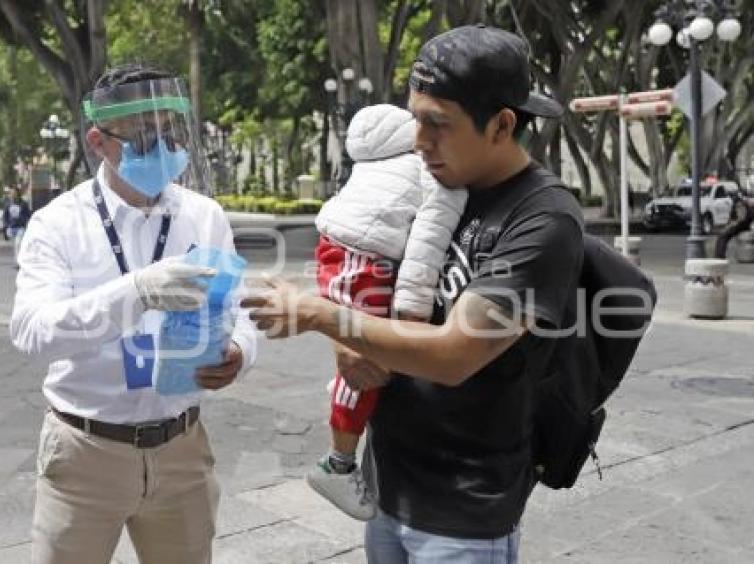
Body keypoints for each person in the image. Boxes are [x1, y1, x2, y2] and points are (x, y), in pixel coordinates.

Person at [245, 25, 583, 563]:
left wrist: (319, 315)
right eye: (415, 118)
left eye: (438, 124)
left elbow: (453, 355)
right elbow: (366, 288)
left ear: (501, 124)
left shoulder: (542, 218)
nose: (419, 140)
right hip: (389, 488)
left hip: (464, 511)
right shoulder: (426, 181)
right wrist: (347, 342)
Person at [10, 64, 257, 564]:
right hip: (85, 451)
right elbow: (33, 332)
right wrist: (137, 292)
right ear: (99, 142)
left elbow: (239, 308)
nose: (163, 149)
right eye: (145, 136)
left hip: (181, 447)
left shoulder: (202, 215)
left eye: (170, 133)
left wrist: (240, 351)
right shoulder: (57, 225)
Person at [309, 103, 467, 520]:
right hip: (369, 262)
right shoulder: (430, 170)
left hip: (337, 252)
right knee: (366, 361)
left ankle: (342, 450)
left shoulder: (370, 164)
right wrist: (412, 310)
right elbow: (424, 245)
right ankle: (337, 463)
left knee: (361, 353)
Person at [715, 190, 754, 258]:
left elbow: (741, 218)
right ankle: (720, 255)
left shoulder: (740, 203)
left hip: (741, 225)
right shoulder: (744, 204)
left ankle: (720, 256)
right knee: (723, 235)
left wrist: (731, 224)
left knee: (723, 236)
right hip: (743, 225)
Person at [2, 187, 31, 266]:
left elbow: (29, 214)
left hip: (20, 227)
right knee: (15, 246)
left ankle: (18, 262)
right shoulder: (8, 204)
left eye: (14, 193)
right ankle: (19, 260)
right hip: (11, 228)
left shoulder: (23, 203)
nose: (12, 195)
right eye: (11, 193)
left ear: (18, 194)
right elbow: (5, 216)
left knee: (18, 244)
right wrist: (5, 227)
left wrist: (26, 223)